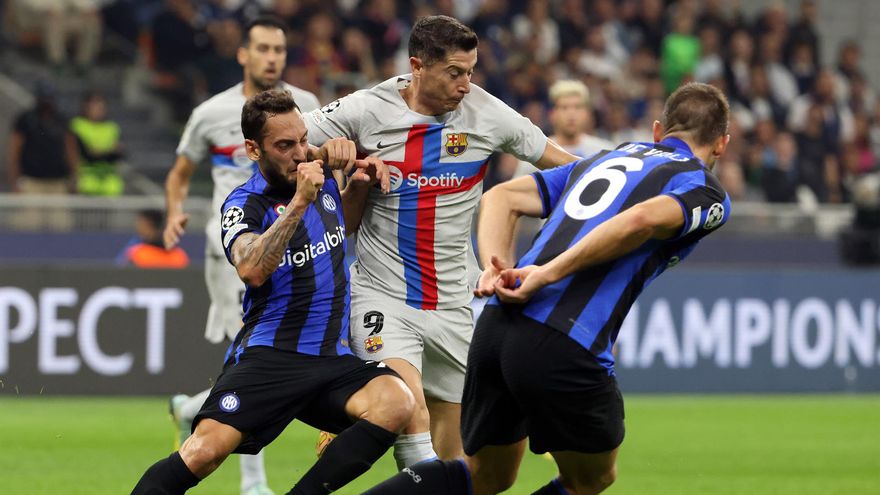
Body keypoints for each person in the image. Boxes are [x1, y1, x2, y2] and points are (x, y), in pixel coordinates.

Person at [363, 82, 733, 495]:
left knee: (486, 475)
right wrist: (547, 273)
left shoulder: (604, 160)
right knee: (590, 478)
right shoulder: (702, 188)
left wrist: (495, 268)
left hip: (496, 329)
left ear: (658, 131)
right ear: (722, 143)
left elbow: (502, 197)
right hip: (563, 343)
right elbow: (639, 221)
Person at [305, 15, 579, 469]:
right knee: (406, 412)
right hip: (383, 296)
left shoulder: (489, 114)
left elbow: (568, 166)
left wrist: (635, 179)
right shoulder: (366, 110)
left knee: (452, 462)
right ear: (417, 66)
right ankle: (359, 401)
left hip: (454, 304)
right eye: (454, 72)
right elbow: (282, 142)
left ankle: (353, 408)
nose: (466, 85)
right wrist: (325, 153)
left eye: (470, 71)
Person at [131, 89, 413, 495]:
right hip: (272, 356)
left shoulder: (320, 175)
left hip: (331, 358)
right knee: (203, 453)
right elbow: (251, 269)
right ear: (253, 150)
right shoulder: (244, 204)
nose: (299, 153)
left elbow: (341, 225)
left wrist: (359, 185)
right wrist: (299, 201)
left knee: (397, 401)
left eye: (303, 140)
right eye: (284, 146)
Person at [162, 16, 321, 495]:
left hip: (291, 247)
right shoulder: (212, 113)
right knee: (255, 356)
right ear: (243, 54)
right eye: (263, 48)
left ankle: (191, 408)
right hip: (230, 253)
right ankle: (253, 483)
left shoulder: (306, 107)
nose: (272, 57)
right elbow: (180, 173)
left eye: (279, 49)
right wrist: (174, 211)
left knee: (263, 359)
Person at [6, 80, 78, 231]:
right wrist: (15, 181)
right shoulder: (26, 119)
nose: (47, 102)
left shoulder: (62, 120)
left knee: (61, 226)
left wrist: (75, 178)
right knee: (29, 226)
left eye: (50, 98)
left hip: (57, 183)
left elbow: (71, 150)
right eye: (44, 98)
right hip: (32, 182)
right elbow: (14, 152)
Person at [71, 90, 125, 196]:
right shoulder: (78, 125)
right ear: (85, 107)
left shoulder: (112, 127)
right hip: (87, 184)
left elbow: (119, 153)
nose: (98, 110)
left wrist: (100, 152)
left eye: (101, 106)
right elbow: (87, 154)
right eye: (94, 106)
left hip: (110, 186)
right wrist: (107, 151)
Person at [117, 209, 190, 268]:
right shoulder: (180, 255)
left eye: (140, 223)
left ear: (148, 224)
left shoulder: (137, 254)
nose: (137, 226)